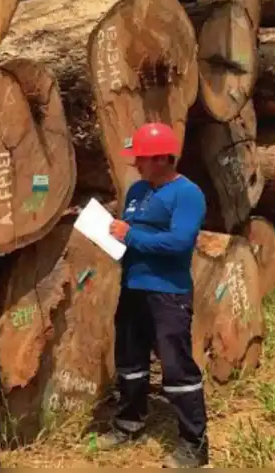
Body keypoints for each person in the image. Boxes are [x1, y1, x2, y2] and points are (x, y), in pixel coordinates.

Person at [97, 121, 209, 468]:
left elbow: (179, 243)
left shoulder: (187, 194)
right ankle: (129, 421)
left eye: (142, 159)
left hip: (167, 294)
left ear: (163, 158)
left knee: (176, 366)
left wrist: (130, 237)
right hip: (133, 287)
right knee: (130, 361)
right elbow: (129, 232)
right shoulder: (137, 191)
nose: (136, 165)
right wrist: (110, 236)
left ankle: (194, 443)